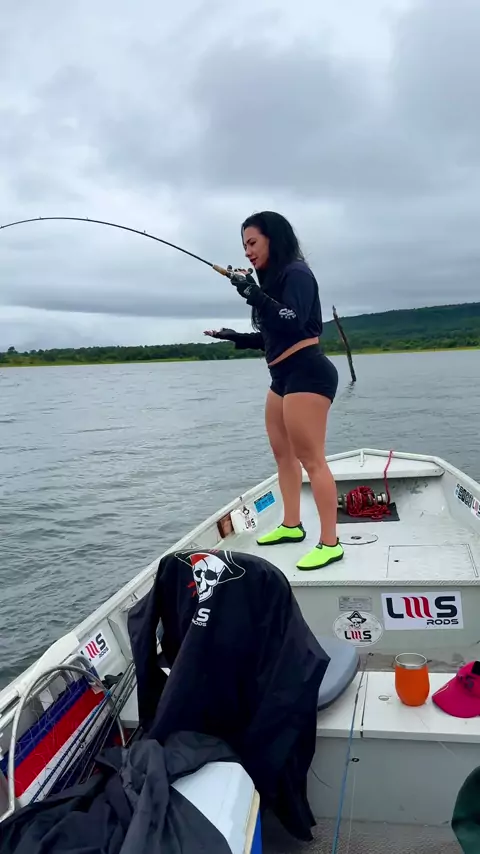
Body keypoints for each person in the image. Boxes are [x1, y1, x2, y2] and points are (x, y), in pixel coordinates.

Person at [204, 211, 343, 570]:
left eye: (252, 242)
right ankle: (291, 525)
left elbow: (294, 321)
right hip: (281, 377)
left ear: (273, 239)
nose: (247, 252)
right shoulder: (273, 282)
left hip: (308, 373)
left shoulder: (297, 273)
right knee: (283, 455)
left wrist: (254, 294)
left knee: (312, 460)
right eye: (244, 246)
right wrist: (234, 336)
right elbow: (272, 335)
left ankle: (331, 543)